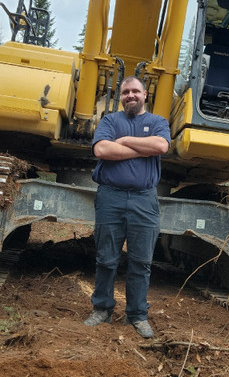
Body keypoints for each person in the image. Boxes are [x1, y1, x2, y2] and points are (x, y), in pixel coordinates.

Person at [83, 76, 170, 339]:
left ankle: (137, 315)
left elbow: (161, 146)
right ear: (120, 96)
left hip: (144, 199)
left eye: (135, 91)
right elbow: (101, 150)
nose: (130, 95)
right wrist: (142, 148)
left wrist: (122, 142)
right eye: (125, 92)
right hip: (111, 196)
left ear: (145, 95)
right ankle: (102, 309)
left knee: (141, 261)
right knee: (106, 258)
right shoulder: (110, 120)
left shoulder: (158, 122)